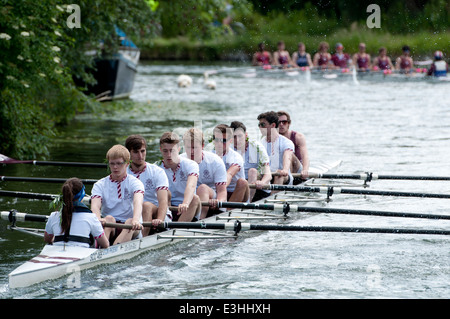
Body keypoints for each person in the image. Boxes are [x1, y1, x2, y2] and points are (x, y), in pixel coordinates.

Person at [91, 145, 145, 245]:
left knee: (129, 221)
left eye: (119, 163)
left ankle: (111, 251)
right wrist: (98, 218)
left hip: (131, 226)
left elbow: (138, 202)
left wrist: (136, 220)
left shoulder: (135, 183)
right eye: (112, 164)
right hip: (110, 224)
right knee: (109, 218)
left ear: (127, 164)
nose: (115, 167)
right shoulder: (100, 184)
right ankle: (101, 249)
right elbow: (95, 206)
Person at [44, 178, 109, 249]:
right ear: (82, 194)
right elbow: (105, 244)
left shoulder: (54, 216)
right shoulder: (91, 217)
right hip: (82, 255)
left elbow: (47, 239)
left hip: (57, 254)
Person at [125, 135, 171, 236]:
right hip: (133, 216)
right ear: (128, 154)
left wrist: (160, 219)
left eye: (142, 151)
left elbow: (163, 201)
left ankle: (142, 238)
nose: (140, 156)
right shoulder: (123, 172)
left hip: (158, 214)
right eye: (136, 152)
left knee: (146, 205)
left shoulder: (157, 172)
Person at [181, 128, 227, 219]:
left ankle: (199, 220)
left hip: (211, 200)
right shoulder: (179, 161)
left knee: (202, 188)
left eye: (194, 147)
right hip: (190, 200)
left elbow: (222, 191)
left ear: (202, 146)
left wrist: (219, 201)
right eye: (188, 147)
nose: (192, 151)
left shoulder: (215, 161)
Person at [157, 132, 201, 222]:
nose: (169, 155)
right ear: (160, 150)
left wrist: (185, 203)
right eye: (165, 151)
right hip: (167, 208)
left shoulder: (191, 164)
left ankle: (175, 231)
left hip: (188, 207)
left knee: (195, 198)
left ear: (179, 149)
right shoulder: (156, 168)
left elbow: (191, 185)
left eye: (172, 150)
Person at [230, 121, 272, 202]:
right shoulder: (229, 149)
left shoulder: (257, 147)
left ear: (246, 135)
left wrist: (262, 182)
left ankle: (247, 202)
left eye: (240, 136)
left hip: (258, 189)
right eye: (234, 137)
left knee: (252, 171)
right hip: (239, 186)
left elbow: (268, 174)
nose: (237, 140)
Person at [211, 124, 249, 203]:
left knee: (242, 182)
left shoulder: (236, 157)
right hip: (218, 191)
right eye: (216, 139)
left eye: (224, 140)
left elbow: (229, 174)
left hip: (235, 191)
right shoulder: (210, 155)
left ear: (230, 140)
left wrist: (221, 190)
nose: (219, 143)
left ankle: (227, 210)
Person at [257, 111, 295, 185]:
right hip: (267, 176)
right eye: (259, 125)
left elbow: (287, 157)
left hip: (283, 177)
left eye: (263, 124)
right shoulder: (260, 143)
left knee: (279, 174)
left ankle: (272, 196)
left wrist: (285, 169)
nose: (260, 127)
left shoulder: (286, 142)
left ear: (273, 125)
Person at [276, 111, 310, 180]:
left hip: (297, 170)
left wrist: (305, 170)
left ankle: (288, 179)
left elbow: (305, 156)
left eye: (284, 122)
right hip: (281, 170)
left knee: (289, 152)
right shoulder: (271, 138)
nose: (281, 124)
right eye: (279, 122)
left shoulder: (298, 137)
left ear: (289, 123)